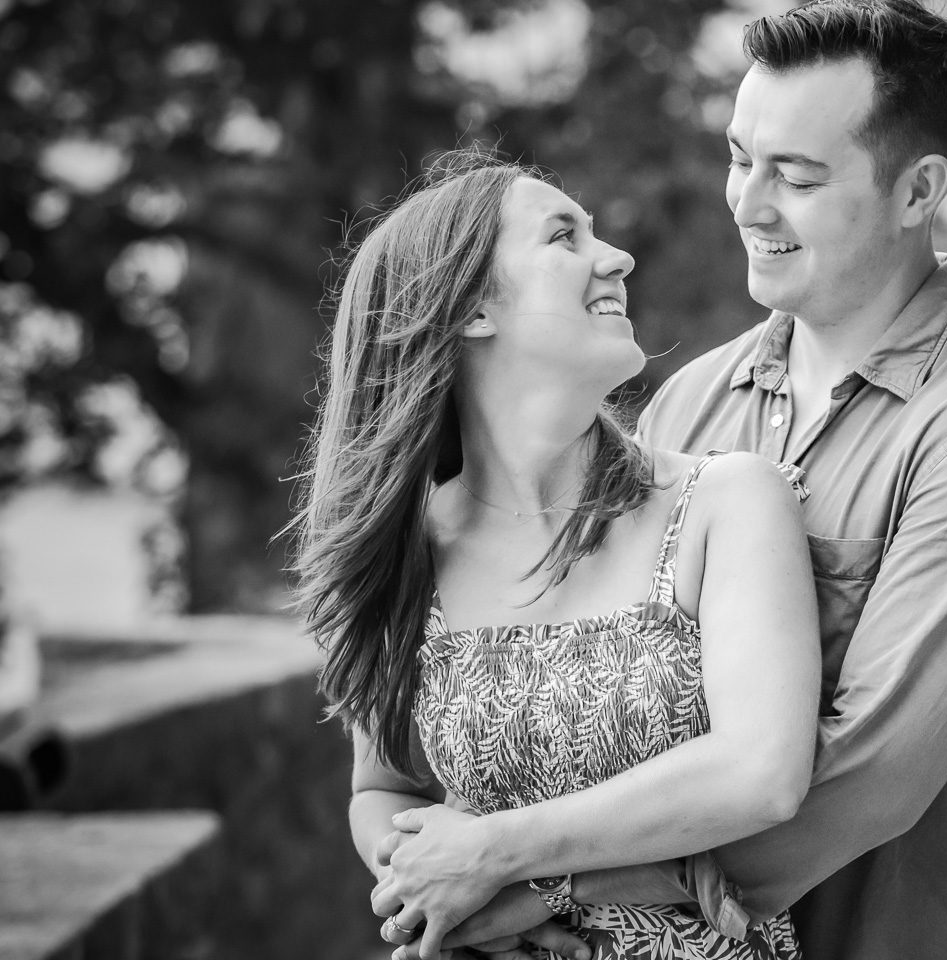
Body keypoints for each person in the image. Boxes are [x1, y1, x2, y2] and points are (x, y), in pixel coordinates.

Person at [628, 1, 947, 956]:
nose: (748, 203)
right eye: (738, 158)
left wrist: (558, 889)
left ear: (919, 190)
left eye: (796, 177)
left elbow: (869, 776)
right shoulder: (681, 409)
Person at [287, 153, 820, 960]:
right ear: (471, 308)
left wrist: (498, 861)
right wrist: (428, 888)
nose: (617, 258)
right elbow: (383, 789)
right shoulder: (403, 557)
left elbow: (763, 773)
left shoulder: (726, 504)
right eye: (564, 236)